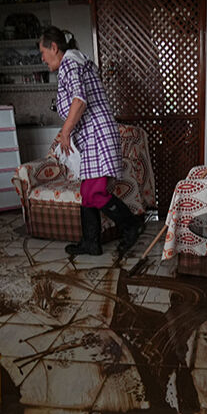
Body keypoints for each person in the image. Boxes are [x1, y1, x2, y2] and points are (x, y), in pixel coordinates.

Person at [38, 26, 142, 256]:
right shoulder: (74, 62)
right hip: (93, 135)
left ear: (54, 47)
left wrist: (65, 132)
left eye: (43, 52)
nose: (42, 58)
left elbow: (79, 99)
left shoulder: (70, 62)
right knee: (88, 192)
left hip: (97, 135)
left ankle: (131, 225)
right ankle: (90, 243)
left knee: (95, 193)